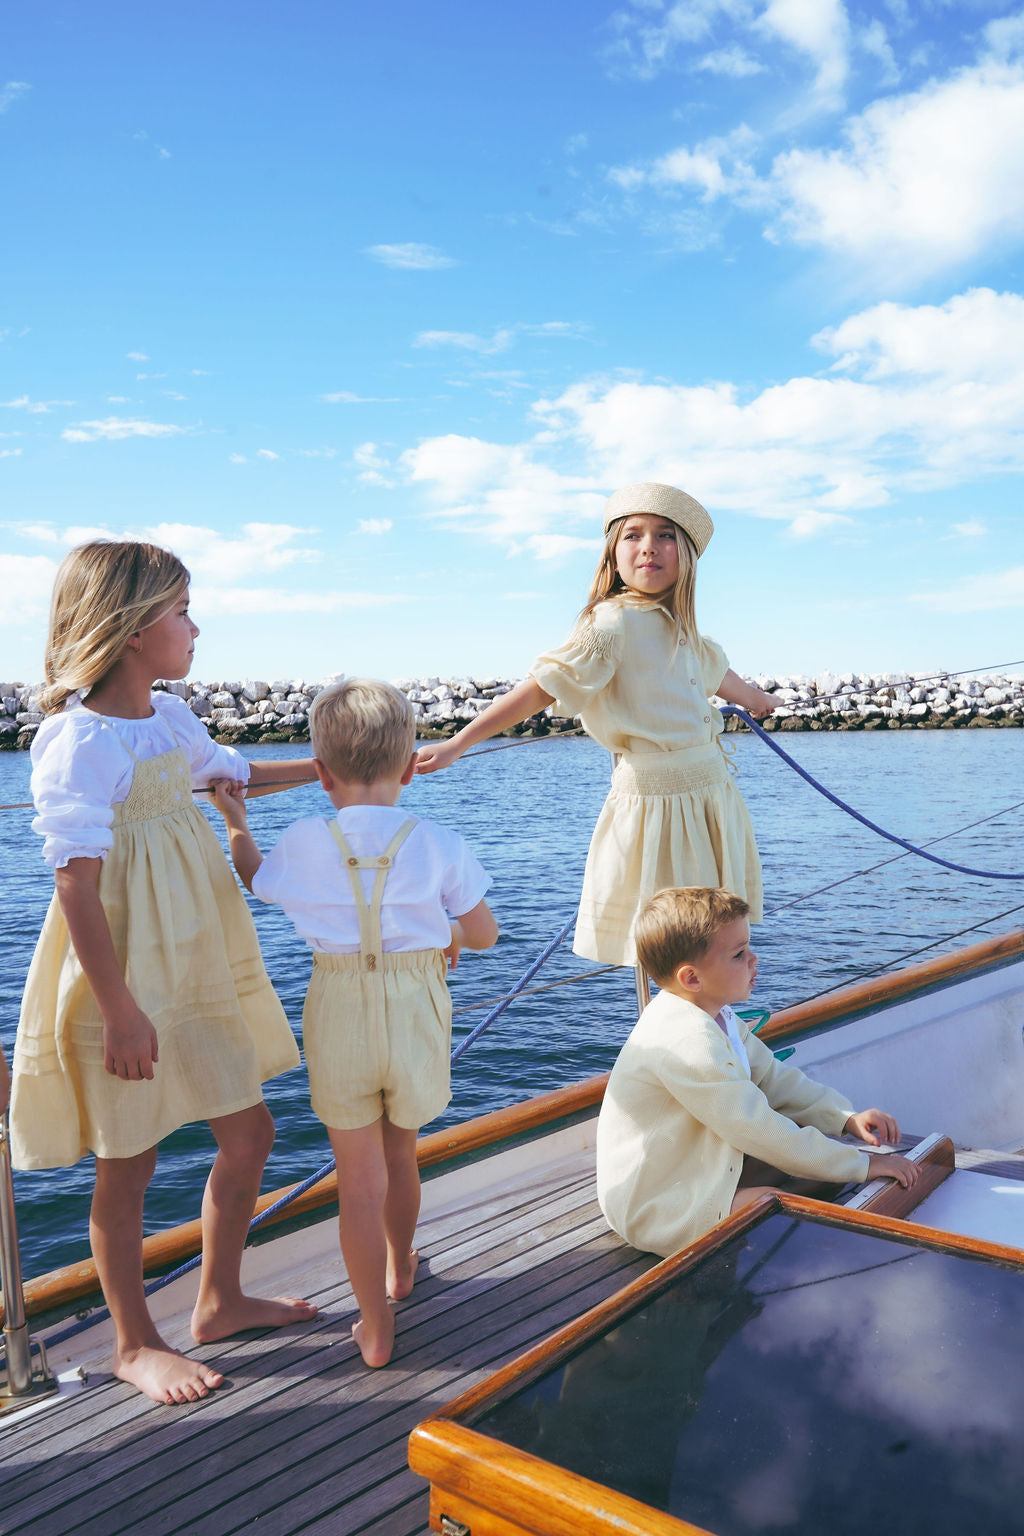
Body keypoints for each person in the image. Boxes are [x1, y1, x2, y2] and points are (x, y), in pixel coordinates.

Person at [10, 540, 320, 1406]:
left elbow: (235, 777)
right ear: (132, 627)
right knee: (129, 1163)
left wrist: (338, 771)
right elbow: (75, 884)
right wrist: (119, 1010)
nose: (195, 627)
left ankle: (218, 1300)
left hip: (196, 961)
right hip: (126, 978)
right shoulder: (77, 739)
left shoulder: (173, 719)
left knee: (249, 1134)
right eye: (182, 611)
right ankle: (133, 1343)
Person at [211, 678, 498, 1369]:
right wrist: (449, 936)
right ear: (409, 770)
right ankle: (401, 1266)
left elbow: (255, 878)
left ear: (320, 773)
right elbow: (484, 934)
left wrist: (237, 822)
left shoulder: (305, 840)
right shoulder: (438, 842)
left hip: (337, 1008)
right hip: (416, 1008)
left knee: (359, 1181)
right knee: (402, 1156)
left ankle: (374, 1324)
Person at [416, 482, 778, 967]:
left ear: (688, 556)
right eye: (633, 535)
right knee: (674, 939)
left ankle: (710, 1008)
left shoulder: (684, 628)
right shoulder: (610, 623)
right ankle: (681, 1013)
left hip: (710, 794)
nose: (648, 546)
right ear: (613, 553)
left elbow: (718, 673)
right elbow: (544, 687)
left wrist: (757, 700)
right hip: (657, 807)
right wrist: (458, 743)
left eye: (665, 535)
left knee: (713, 933)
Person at [596, 886, 920, 1257]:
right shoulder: (686, 1040)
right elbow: (756, 1127)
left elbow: (773, 1080)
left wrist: (844, 1117)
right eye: (739, 954)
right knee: (774, 1208)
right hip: (656, 1202)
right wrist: (864, 1164)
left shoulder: (717, 1016)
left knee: (819, 1175)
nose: (754, 959)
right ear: (692, 978)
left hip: (695, 1166)